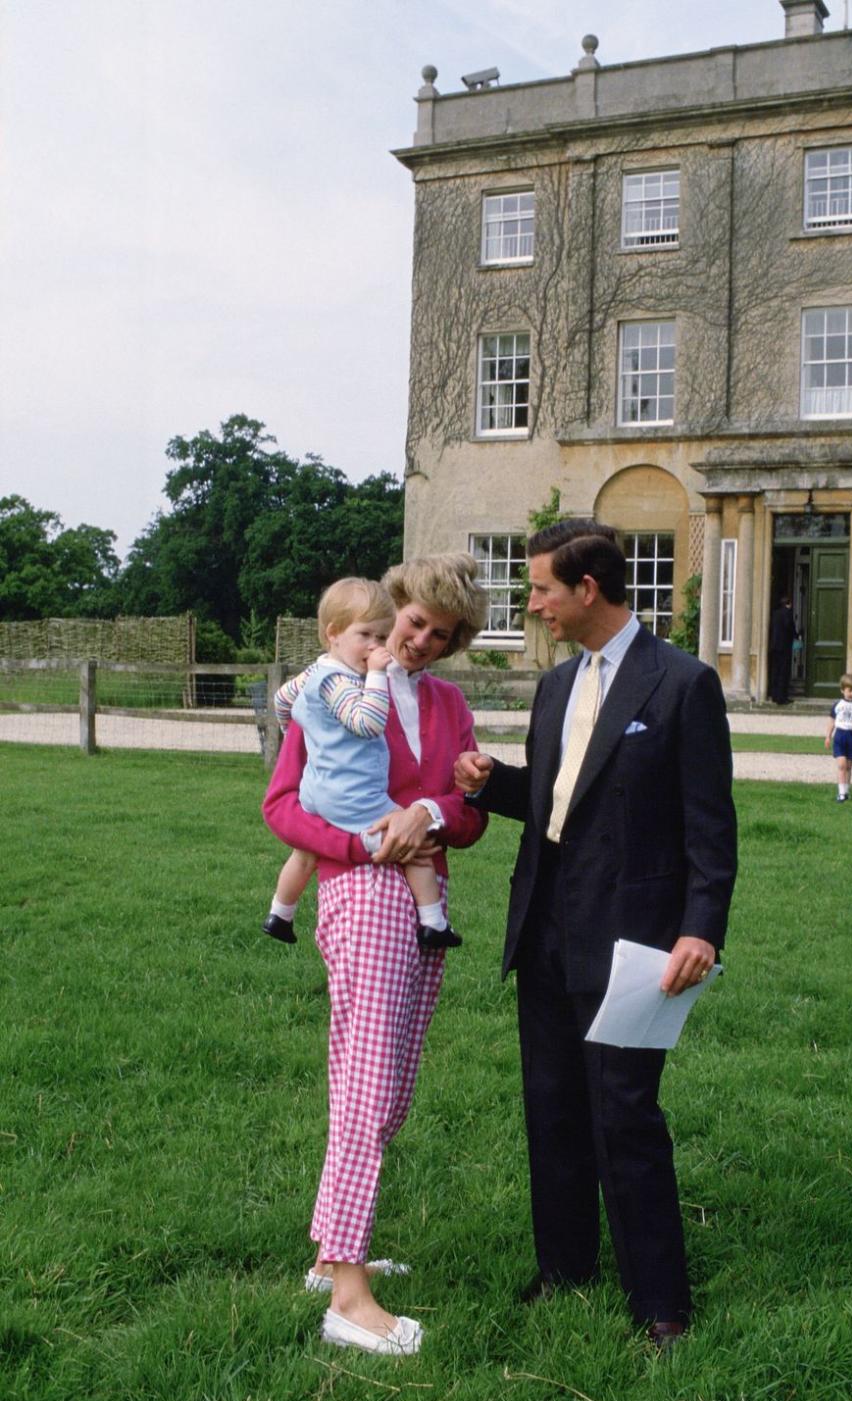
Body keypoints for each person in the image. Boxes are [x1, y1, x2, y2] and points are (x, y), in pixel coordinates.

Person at [454, 520, 737, 1351]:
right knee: (552, 1108)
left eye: (540, 588)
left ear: (588, 590)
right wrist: (491, 784)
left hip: (634, 940)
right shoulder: (554, 687)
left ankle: (660, 1304)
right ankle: (565, 1268)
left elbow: (710, 828)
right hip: (543, 924)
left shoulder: (682, 685)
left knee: (624, 1115)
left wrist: (702, 930)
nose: (532, 603)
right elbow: (559, 801)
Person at [262, 554, 488, 1356]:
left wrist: (433, 806)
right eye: (414, 620)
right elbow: (282, 804)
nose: (422, 639)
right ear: (390, 609)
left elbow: (468, 818)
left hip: (428, 901)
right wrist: (360, 849)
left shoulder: (452, 704)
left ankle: (331, 1254)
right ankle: (351, 1296)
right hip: (360, 894)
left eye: (442, 631)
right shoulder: (333, 684)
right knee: (364, 1082)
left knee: (390, 1087)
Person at [262, 577, 461, 951]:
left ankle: (280, 914)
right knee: (414, 849)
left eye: (380, 636)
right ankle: (434, 922)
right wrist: (375, 676)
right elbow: (368, 723)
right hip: (351, 799)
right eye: (366, 635)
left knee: (302, 856)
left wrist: (300, 729)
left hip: (317, 791)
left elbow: (281, 700)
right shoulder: (342, 681)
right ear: (333, 633)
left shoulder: (313, 672)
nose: (375, 645)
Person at [824, 672, 852, 802]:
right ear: (843, 690)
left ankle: (846, 791)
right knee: (841, 765)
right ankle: (841, 793)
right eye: (850, 690)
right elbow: (831, 721)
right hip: (841, 735)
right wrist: (828, 736)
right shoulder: (838, 705)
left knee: (848, 766)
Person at [768, 594, 797, 705]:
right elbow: (789, 626)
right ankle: (782, 697)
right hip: (784, 647)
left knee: (775, 671)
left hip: (774, 646)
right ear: (788, 604)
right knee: (783, 673)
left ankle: (774, 695)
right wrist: (796, 635)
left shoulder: (775, 614)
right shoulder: (787, 613)